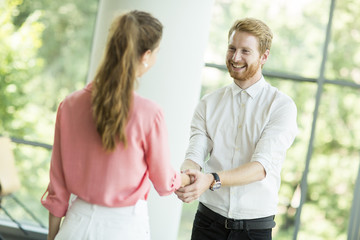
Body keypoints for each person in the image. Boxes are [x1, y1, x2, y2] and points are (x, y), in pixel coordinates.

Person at [41, 10, 190, 240]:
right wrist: (187, 178)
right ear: (146, 55)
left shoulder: (69, 105)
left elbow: (57, 188)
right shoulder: (149, 114)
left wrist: (52, 237)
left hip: (75, 226)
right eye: (157, 52)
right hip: (124, 229)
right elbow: (163, 182)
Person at [175, 18, 298, 240]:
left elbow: (261, 167)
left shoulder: (281, 107)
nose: (235, 57)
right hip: (207, 223)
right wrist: (186, 177)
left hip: (254, 231)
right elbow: (194, 153)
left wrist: (211, 179)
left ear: (264, 57)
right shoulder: (208, 103)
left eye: (245, 51)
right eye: (231, 48)